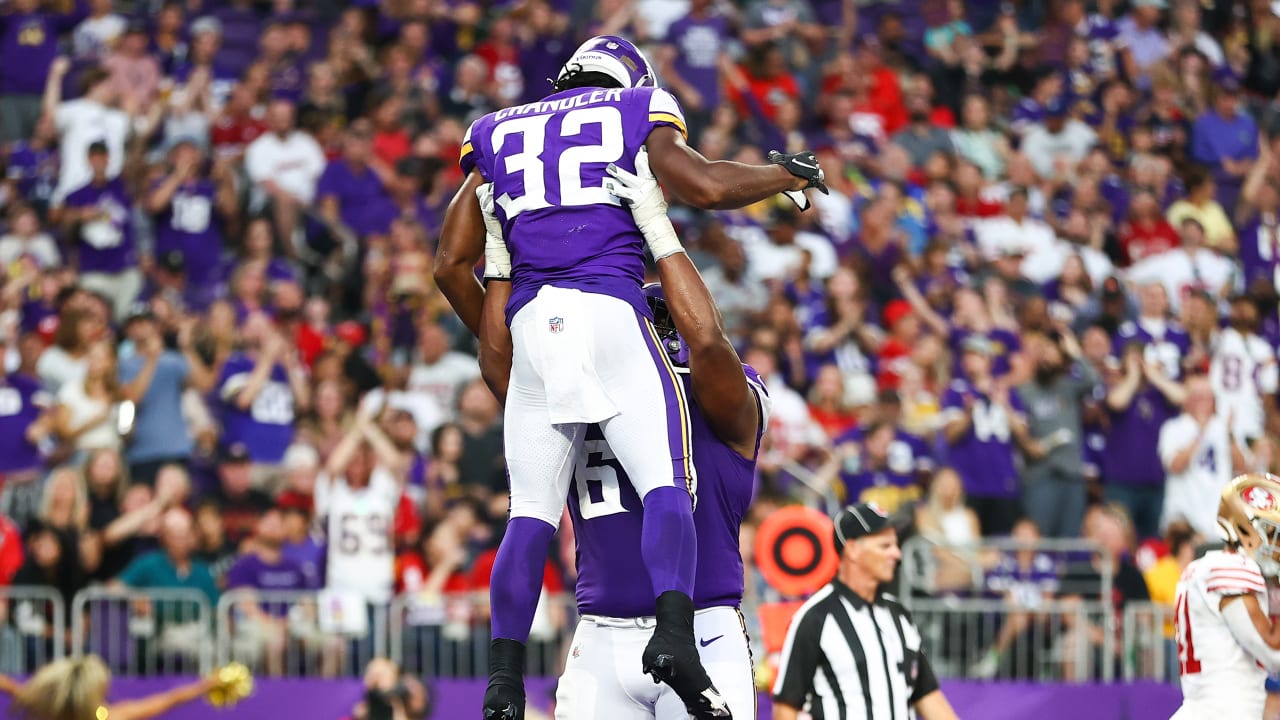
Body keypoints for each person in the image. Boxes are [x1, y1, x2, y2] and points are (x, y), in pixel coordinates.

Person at [434, 34, 826, 719]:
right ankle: (668, 636)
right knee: (667, 479)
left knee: (527, 512)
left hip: (535, 322)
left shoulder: (498, 130)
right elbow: (703, 196)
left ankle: (503, 675)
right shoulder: (636, 111)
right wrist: (771, 181)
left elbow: (452, 278)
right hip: (652, 631)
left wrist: (498, 267)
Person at [771, 503, 959, 720]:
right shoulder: (816, 617)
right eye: (885, 546)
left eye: (896, 545)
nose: (896, 554)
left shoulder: (899, 615)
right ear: (852, 550)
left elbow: (928, 695)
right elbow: (786, 707)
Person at [1170, 473, 1280, 718]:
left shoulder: (1210, 567)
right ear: (1244, 528)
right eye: (1272, 533)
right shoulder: (1230, 568)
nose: (1277, 545)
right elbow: (1273, 651)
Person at [0, 655, 242, 720]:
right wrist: (206, 686)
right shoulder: (105, 716)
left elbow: (9, 685)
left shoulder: (44, 707)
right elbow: (166, 700)